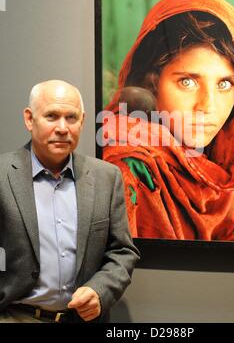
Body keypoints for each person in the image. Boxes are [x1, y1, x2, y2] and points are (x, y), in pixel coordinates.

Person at [102, 0, 234, 242]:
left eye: (224, 84)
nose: (207, 106)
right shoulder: (127, 169)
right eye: (187, 81)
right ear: (152, 83)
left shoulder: (203, 167)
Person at [0, 80, 140, 323]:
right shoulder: (3, 176)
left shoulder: (106, 177)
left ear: (82, 121)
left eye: (71, 118)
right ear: (29, 119)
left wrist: (100, 291)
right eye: (51, 116)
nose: (63, 128)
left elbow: (122, 252)